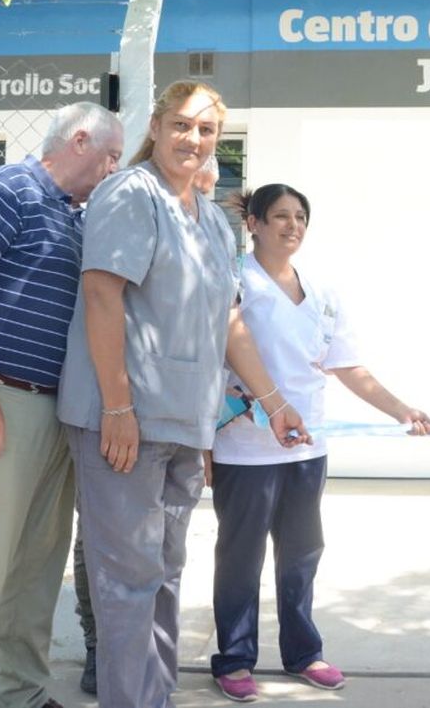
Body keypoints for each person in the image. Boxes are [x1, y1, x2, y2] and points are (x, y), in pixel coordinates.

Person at [58, 79, 309, 708]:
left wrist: (275, 404)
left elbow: (228, 323)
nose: (193, 140)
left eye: (206, 131)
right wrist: (117, 408)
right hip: (125, 421)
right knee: (128, 581)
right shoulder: (130, 192)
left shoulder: (213, 221)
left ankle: (154, 696)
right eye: (182, 125)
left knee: (165, 576)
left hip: (184, 426)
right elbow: (102, 294)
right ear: (157, 126)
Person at [210, 183, 430, 703]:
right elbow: (217, 352)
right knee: (241, 556)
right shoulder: (235, 282)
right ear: (254, 225)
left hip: (307, 449)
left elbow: (348, 367)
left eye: (300, 217)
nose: (292, 226)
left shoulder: (322, 291)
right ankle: (235, 659)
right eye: (280, 217)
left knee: (301, 553)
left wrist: (403, 410)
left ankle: (303, 653)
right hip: (246, 449)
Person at [0, 101, 124, 708]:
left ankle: (22, 693)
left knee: (37, 566)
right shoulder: (9, 187)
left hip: (51, 410)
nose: (114, 168)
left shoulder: (74, 216)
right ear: (81, 139)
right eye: (112, 155)